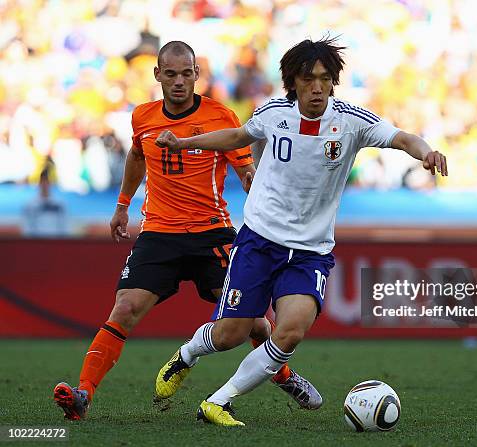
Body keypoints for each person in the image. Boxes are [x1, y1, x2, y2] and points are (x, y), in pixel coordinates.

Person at [154, 36, 448, 427]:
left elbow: (402, 137)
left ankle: (218, 402)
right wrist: (185, 142)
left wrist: (425, 151)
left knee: (290, 332)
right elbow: (238, 137)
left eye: (325, 79)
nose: (317, 87)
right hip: (260, 240)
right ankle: (188, 354)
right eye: (308, 79)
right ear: (293, 81)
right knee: (228, 335)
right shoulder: (274, 113)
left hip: (310, 251)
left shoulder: (351, 122)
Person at [53, 41, 321, 420]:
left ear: (196, 75)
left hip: (211, 233)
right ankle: (83, 394)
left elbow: (245, 168)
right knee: (124, 308)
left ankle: (285, 376)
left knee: (255, 323)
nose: (179, 81)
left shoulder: (220, 116)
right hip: (158, 235)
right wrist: (122, 205)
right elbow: (136, 156)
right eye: (172, 74)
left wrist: (254, 185)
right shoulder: (143, 117)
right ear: (158, 75)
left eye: (186, 74)